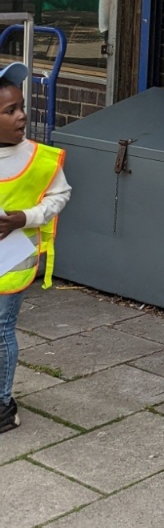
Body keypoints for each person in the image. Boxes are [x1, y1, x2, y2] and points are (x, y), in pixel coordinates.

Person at [0, 61, 70, 435]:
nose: (22, 116)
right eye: (10, 110)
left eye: (22, 107)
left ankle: (2, 404)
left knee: (1, 330)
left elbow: (59, 195)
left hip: (11, 264)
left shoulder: (39, 159)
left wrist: (24, 218)